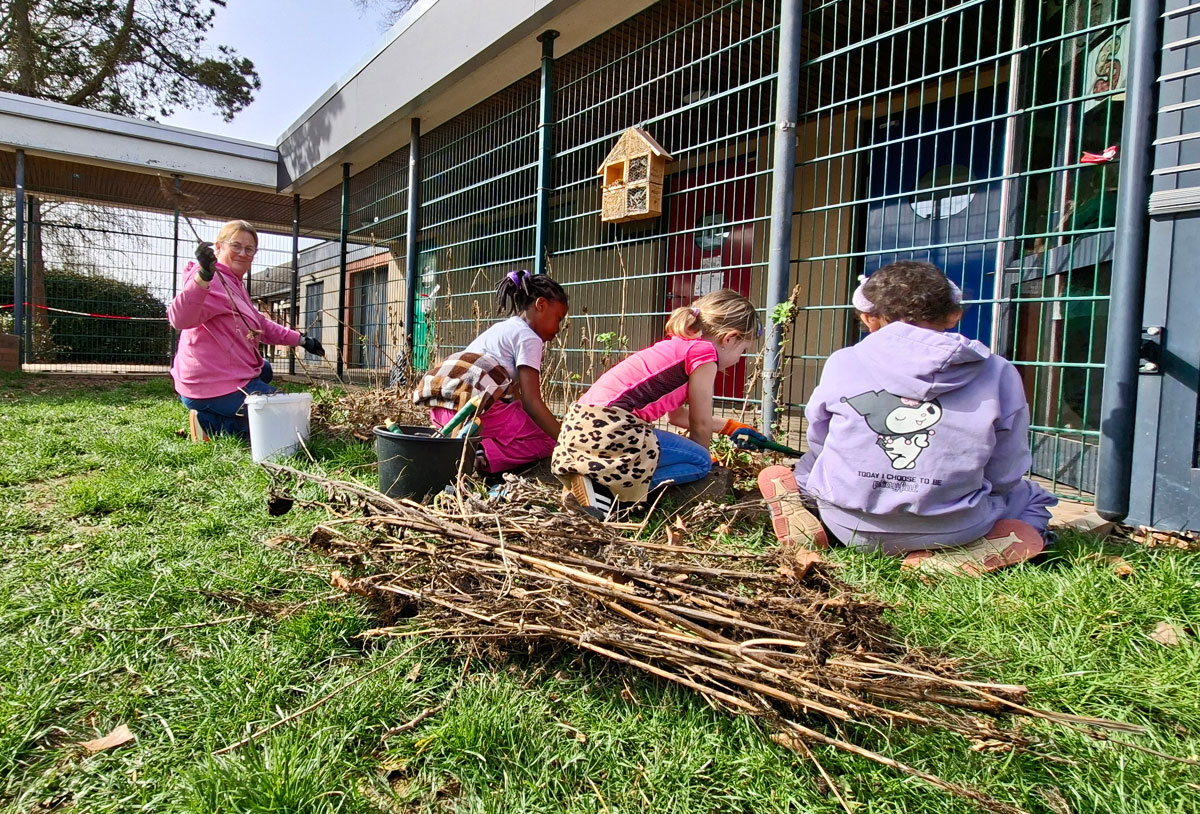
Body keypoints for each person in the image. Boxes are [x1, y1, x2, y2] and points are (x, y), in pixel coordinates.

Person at [758, 260, 1056, 575]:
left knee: (806, 472)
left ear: (869, 318)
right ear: (954, 314)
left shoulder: (843, 361)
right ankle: (971, 549)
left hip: (848, 523)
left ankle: (807, 512)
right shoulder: (998, 371)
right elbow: (1006, 470)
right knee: (1031, 497)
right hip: (953, 528)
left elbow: (819, 438)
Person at [552, 288, 760, 519]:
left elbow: (677, 417)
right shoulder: (705, 354)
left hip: (581, 426)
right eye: (743, 350)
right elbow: (699, 424)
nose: (740, 358)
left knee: (692, 454)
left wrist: (730, 427)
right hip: (612, 428)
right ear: (729, 338)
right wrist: (703, 457)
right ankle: (607, 492)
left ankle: (589, 482)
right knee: (700, 461)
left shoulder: (678, 347)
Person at [168, 220, 324, 441]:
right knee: (288, 421)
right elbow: (180, 318)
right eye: (236, 246)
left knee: (265, 369)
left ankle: (217, 413)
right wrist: (203, 275)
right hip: (209, 382)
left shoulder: (234, 283)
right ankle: (208, 423)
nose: (243, 253)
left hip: (224, 374)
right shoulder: (211, 280)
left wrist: (301, 340)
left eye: (249, 249)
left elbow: (258, 323)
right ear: (218, 247)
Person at [413, 269, 568, 475]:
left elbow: (517, 398)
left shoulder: (503, 328)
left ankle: (467, 446)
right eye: (559, 318)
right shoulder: (530, 338)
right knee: (547, 439)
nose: (559, 329)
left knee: (518, 419)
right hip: (471, 412)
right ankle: (483, 455)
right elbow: (532, 402)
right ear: (541, 305)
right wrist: (567, 440)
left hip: (442, 411)